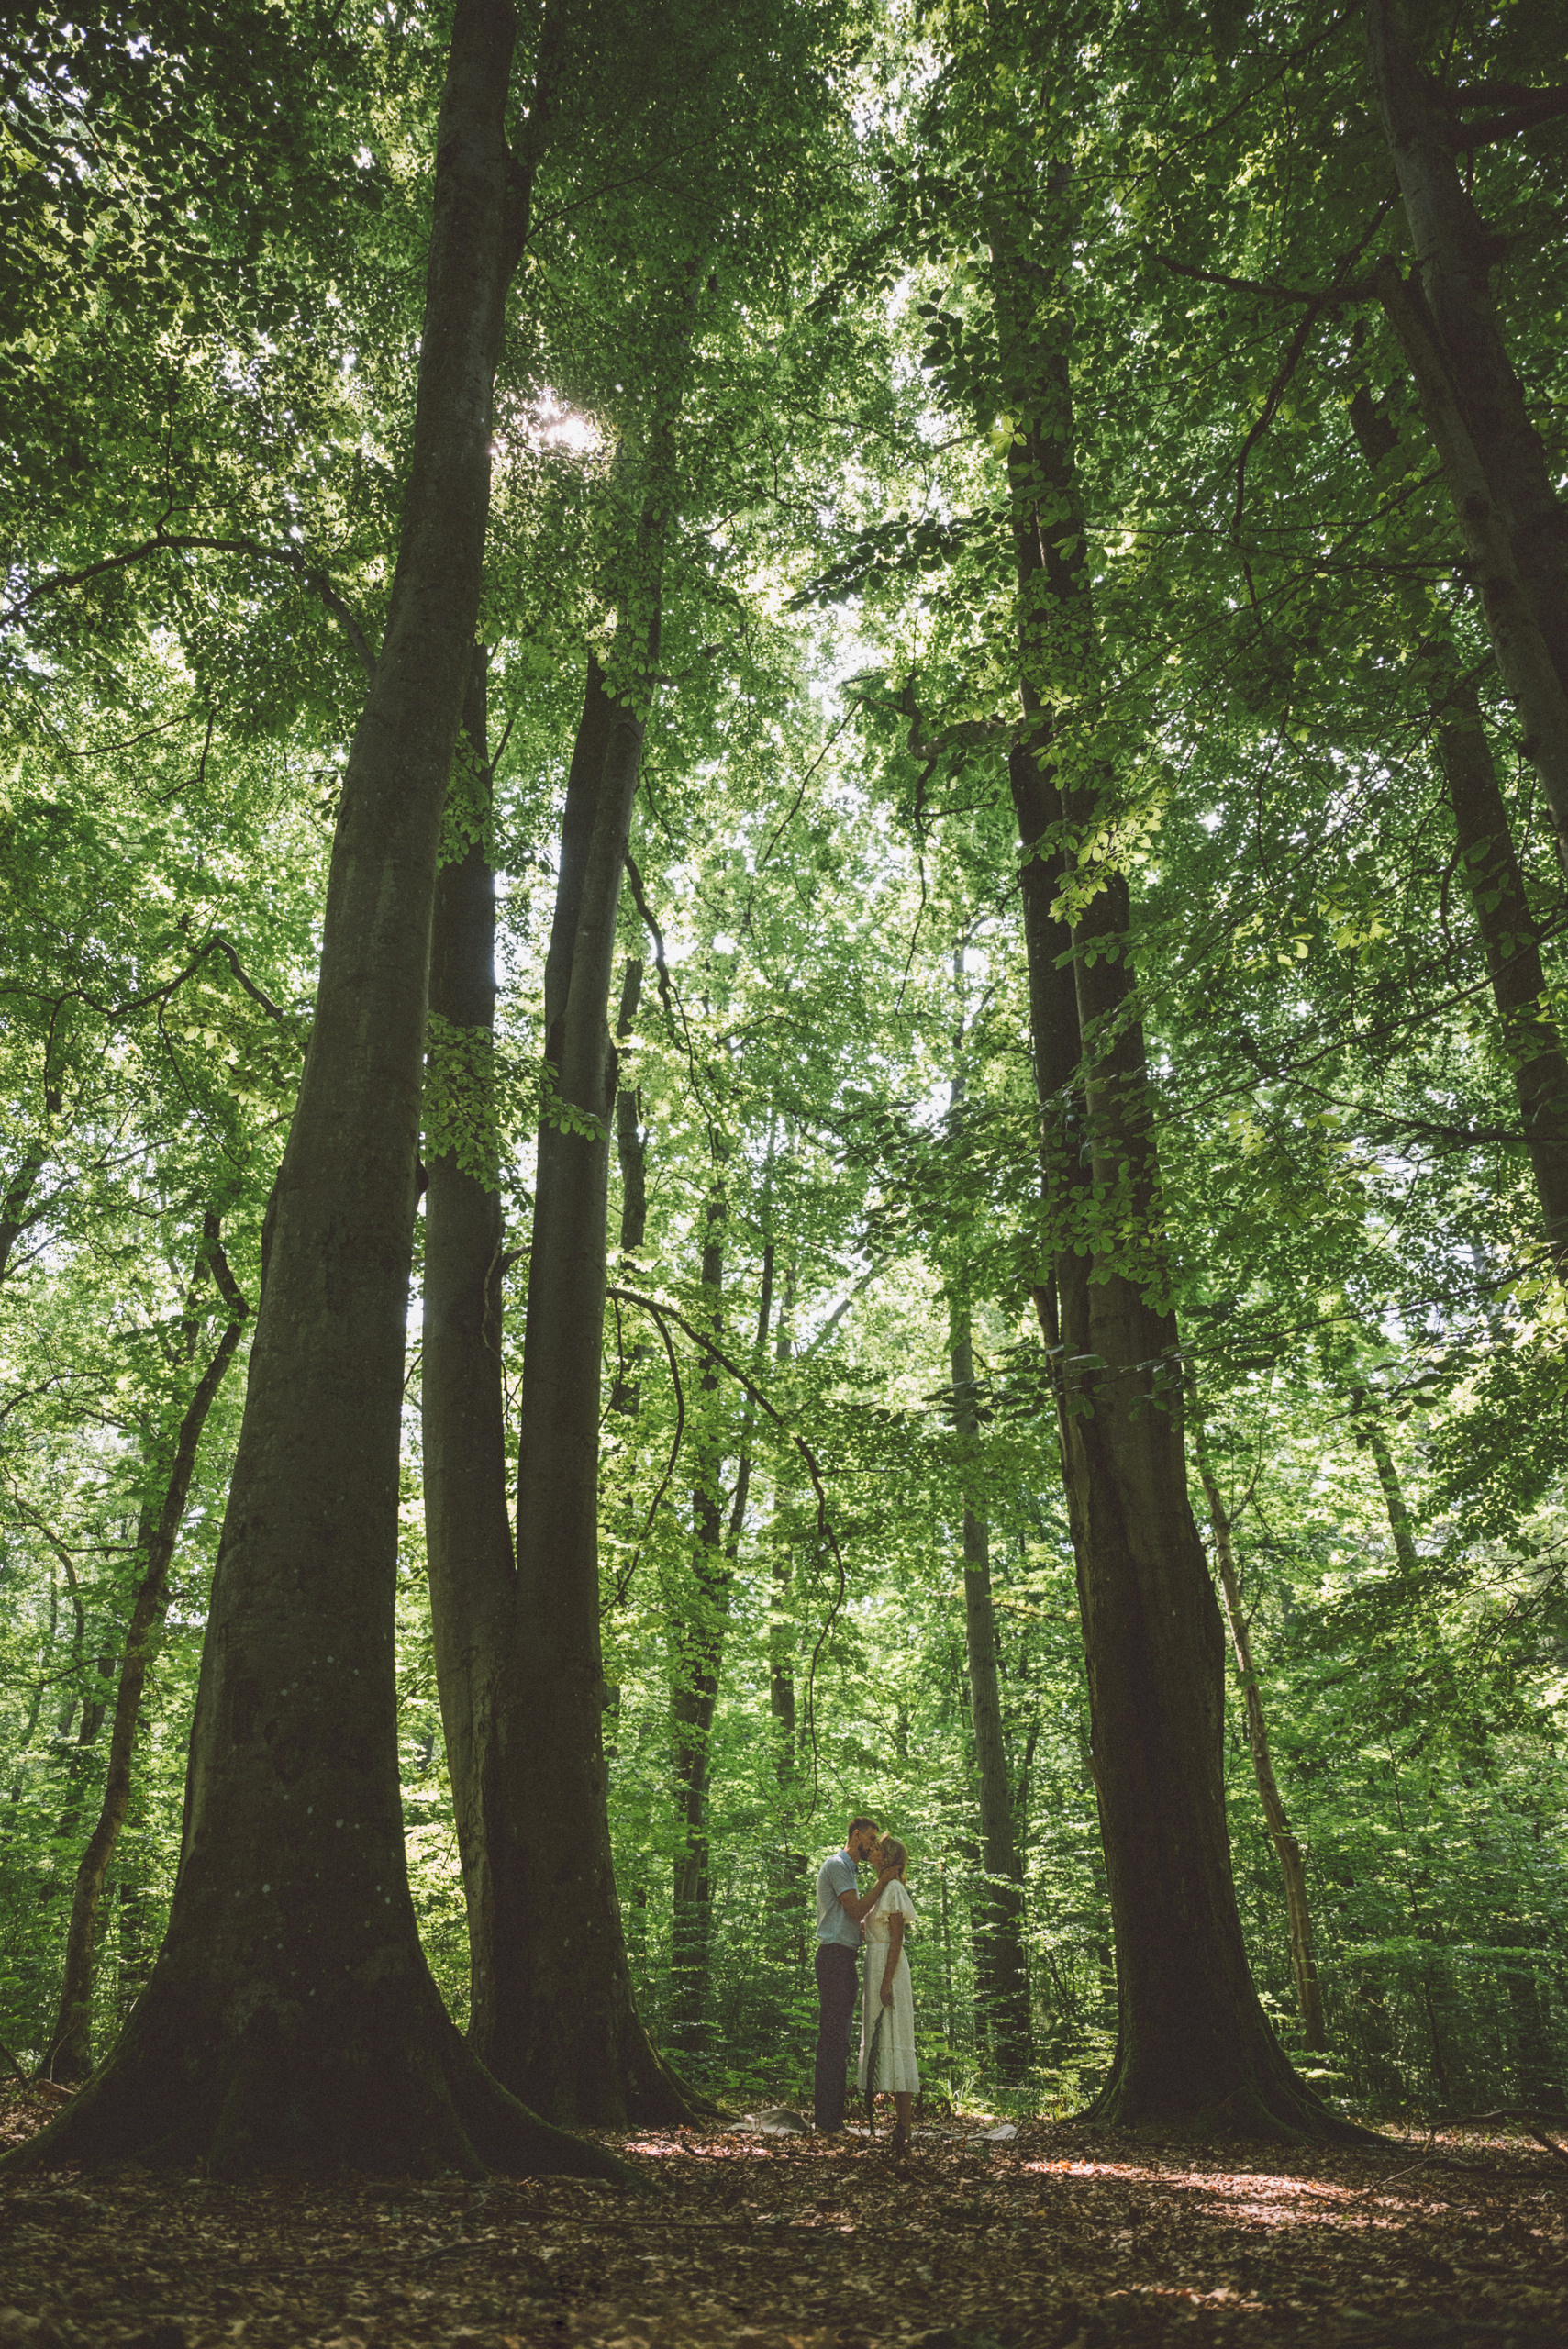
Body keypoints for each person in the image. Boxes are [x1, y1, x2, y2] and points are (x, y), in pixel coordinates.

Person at [814, 1815, 896, 2132]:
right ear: (856, 1835)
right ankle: (828, 2120)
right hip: (834, 1958)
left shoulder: (849, 1870)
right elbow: (856, 1909)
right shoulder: (837, 1865)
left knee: (839, 2040)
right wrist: (883, 1880)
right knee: (834, 2040)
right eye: (871, 1839)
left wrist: (861, 1926)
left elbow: (852, 1915)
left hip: (843, 1957)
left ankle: (830, 2118)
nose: (873, 1846)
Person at [858, 1835, 918, 2156]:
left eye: (878, 1848)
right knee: (881, 2040)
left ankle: (904, 2125)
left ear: (888, 1857)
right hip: (875, 1965)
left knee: (896, 2037)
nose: (873, 1851)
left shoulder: (894, 1889)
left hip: (889, 1969)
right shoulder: (882, 1887)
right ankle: (892, 2124)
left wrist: (886, 1983)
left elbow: (897, 1940)